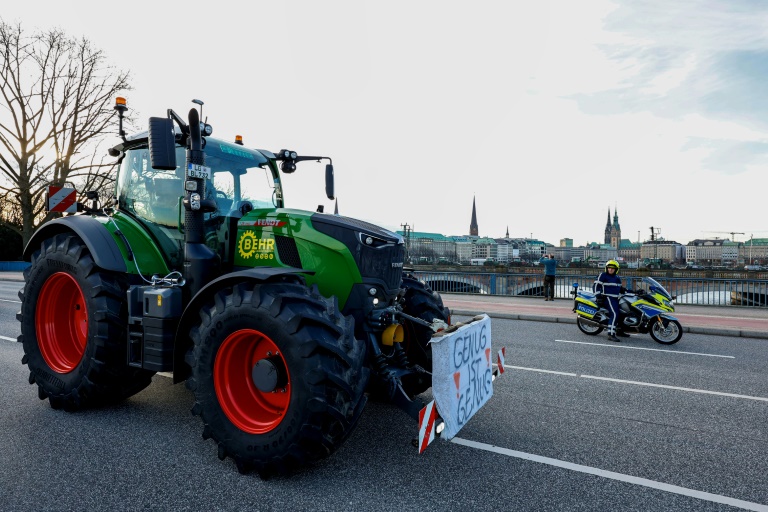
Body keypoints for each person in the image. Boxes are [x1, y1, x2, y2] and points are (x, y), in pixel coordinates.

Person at [593, 259, 629, 341]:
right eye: (609, 268)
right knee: (615, 313)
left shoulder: (617, 278)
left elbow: (621, 289)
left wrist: (634, 292)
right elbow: (596, 286)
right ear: (606, 268)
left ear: (616, 269)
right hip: (607, 298)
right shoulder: (603, 275)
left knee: (623, 313)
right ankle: (611, 334)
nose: (610, 269)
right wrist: (598, 296)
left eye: (612, 268)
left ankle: (619, 330)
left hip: (616, 298)